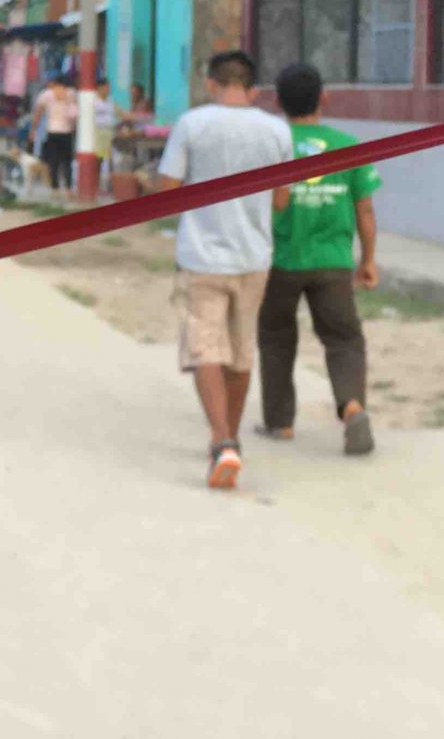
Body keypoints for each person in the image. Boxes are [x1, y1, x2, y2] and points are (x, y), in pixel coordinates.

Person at [147, 50, 294, 491]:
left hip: (202, 256)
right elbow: (281, 200)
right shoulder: (276, 130)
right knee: (241, 351)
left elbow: (168, 190)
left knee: (205, 348)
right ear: (252, 89)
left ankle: (221, 439)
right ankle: (232, 441)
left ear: (212, 84)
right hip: (254, 257)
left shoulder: (192, 124)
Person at [259, 62, 382, 455]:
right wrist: (368, 259)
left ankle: (280, 422)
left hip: (279, 259)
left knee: (276, 338)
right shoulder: (349, 146)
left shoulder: (270, 145)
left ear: (278, 102)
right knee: (344, 338)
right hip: (333, 261)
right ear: (323, 98)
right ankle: (352, 408)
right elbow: (365, 209)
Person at [28, 70, 81, 198]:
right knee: (67, 161)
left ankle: (55, 189)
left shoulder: (46, 94)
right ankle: (68, 189)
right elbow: (76, 112)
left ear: (54, 82)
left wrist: (33, 129)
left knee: (53, 161)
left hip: (52, 131)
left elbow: (38, 114)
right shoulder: (71, 93)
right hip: (67, 131)